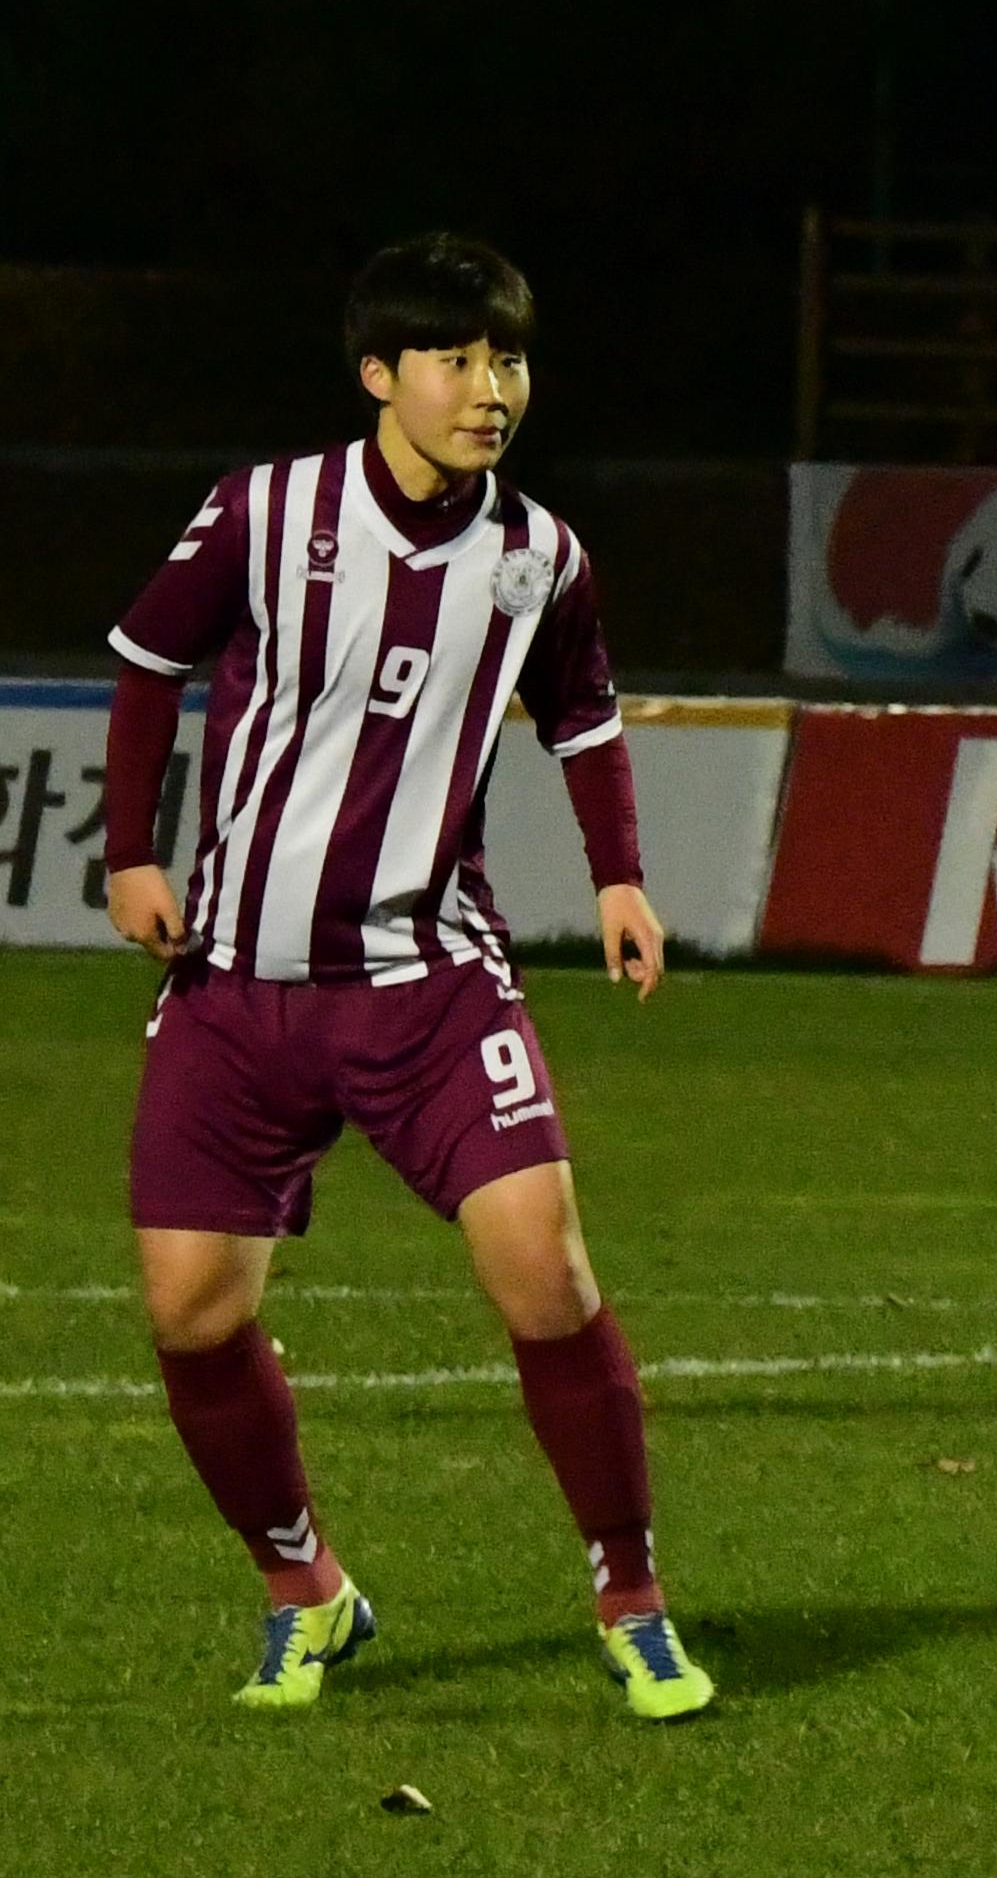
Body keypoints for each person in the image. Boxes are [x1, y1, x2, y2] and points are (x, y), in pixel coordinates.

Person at [98, 233, 709, 1720]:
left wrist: (619, 875)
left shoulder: (538, 556)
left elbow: (583, 715)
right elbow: (140, 659)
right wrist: (131, 851)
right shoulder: (267, 512)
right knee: (189, 1313)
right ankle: (307, 1590)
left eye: (507, 360)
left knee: (547, 1278)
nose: (489, 389)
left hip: (429, 982)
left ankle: (630, 1596)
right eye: (456, 359)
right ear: (381, 375)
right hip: (237, 983)